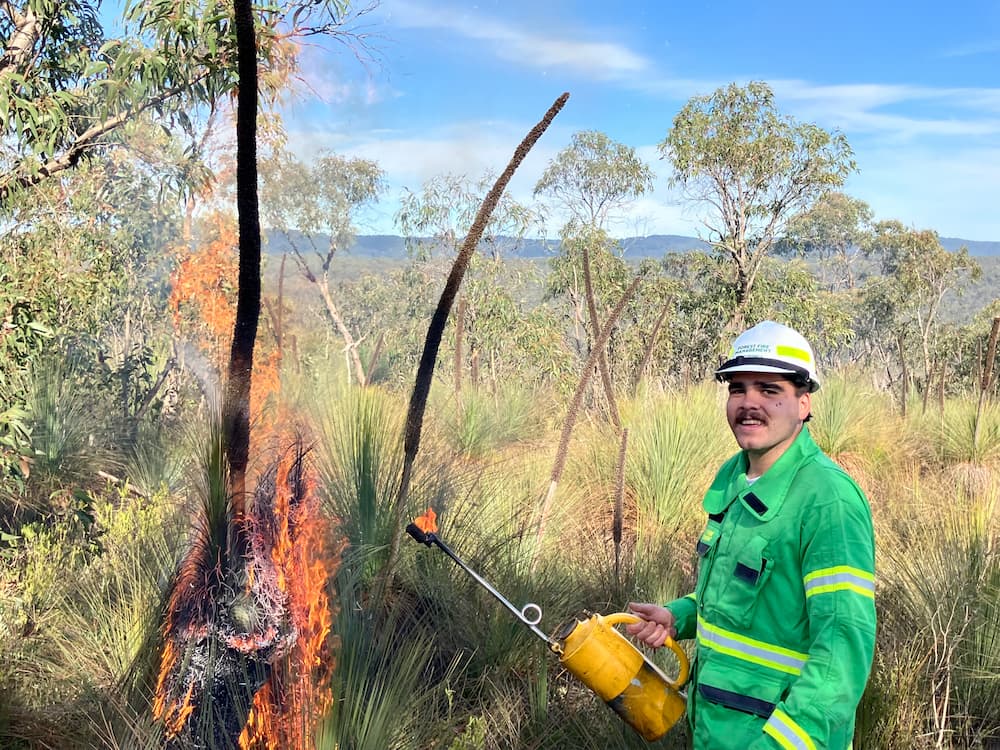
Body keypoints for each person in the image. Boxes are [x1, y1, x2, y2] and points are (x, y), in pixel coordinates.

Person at [627, 320, 876, 750]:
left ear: (803, 402)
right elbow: (747, 600)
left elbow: (841, 656)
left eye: (769, 390)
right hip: (716, 729)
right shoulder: (733, 475)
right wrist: (679, 617)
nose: (749, 403)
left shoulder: (828, 500)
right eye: (737, 388)